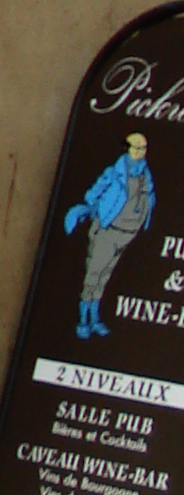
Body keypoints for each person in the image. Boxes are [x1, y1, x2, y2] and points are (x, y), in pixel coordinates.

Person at [64, 131, 155, 342]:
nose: (141, 152)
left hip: (127, 235)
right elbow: (95, 191)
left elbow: (148, 199)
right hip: (110, 230)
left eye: (143, 148)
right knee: (94, 274)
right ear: (128, 148)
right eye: (137, 148)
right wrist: (89, 208)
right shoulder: (115, 173)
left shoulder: (145, 175)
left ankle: (95, 318)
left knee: (105, 276)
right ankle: (83, 319)